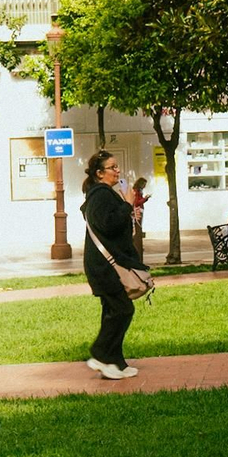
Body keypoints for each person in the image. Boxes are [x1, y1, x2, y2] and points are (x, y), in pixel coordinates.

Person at [81, 150, 145, 379]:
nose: (117, 171)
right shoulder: (100, 194)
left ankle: (115, 362)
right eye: (112, 168)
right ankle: (99, 354)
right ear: (99, 173)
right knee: (122, 309)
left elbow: (111, 224)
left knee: (113, 310)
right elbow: (107, 224)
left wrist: (129, 209)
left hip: (105, 264)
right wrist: (127, 206)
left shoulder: (103, 193)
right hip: (104, 266)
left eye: (117, 167)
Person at [129, 177, 150, 261]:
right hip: (138, 210)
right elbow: (137, 202)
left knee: (139, 229)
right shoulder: (137, 191)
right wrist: (145, 199)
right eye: (144, 184)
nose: (145, 186)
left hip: (140, 209)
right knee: (138, 229)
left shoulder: (138, 190)